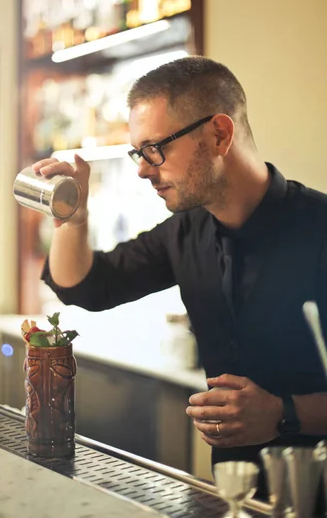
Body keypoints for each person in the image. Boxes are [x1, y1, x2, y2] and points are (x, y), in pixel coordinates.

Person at [35, 56, 327, 497]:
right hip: (233, 495)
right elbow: (85, 287)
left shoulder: (319, 230)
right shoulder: (185, 232)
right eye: (139, 152)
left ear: (219, 134)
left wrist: (282, 413)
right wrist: (73, 219)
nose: (142, 169)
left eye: (156, 148)